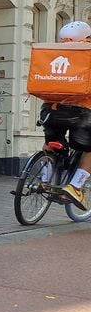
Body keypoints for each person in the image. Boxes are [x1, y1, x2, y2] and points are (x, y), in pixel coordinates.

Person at [39, 20, 91, 209]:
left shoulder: (54, 52)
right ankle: (75, 187)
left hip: (50, 110)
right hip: (81, 113)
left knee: (51, 143)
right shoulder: (87, 53)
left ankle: (43, 180)